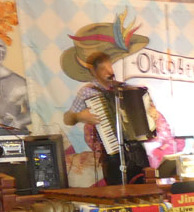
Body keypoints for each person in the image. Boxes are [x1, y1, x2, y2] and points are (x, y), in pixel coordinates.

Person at [64, 52, 153, 185]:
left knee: (144, 188)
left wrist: (151, 110)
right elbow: (68, 119)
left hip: (137, 150)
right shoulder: (88, 91)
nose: (109, 71)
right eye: (102, 68)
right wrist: (79, 116)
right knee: (118, 192)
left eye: (109, 66)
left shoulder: (124, 88)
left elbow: (145, 107)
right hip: (112, 152)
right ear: (93, 72)